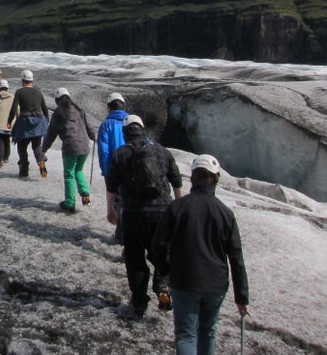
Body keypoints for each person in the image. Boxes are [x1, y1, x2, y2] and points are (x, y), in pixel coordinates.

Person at [151, 154, 250, 355]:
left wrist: (166, 270)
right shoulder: (225, 213)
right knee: (208, 331)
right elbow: (236, 258)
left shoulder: (177, 207)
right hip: (215, 284)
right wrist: (242, 297)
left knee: (186, 336)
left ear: (192, 178)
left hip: (184, 281)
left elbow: (157, 246)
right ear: (216, 179)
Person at [105, 115, 184, 317]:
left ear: (125, 132)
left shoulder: (120, 153)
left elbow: (111, 186)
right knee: (161, 253)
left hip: (133, 213)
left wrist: (111, 210)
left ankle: (139, 301)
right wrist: (178, 207)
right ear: (142, 129)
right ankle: (163, 286)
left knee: (135, 259)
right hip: (162, 212)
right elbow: (176, 180)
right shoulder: (161, 150)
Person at [42, 87, 96, 214]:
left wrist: (43, 149)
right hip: (84, 147)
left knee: (69, 174)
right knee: (78, 170)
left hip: (70, 147)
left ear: (57, 100)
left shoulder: (58, 113)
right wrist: (93, 136)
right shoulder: (79, 110)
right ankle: (85, 194)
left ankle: (70, 203)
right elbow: (88, 127)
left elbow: (51, 134)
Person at [6, 70, 49, 178]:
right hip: (37, 123)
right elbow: (45, 109)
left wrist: (9, 121)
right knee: (37, 146)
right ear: (31, 80)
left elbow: (14, 108)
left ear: (22, 80)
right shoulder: (38, 92)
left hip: (25, 122)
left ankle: (24, 170)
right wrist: (46, 122)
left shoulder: (19, 92)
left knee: (22, 147)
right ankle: (41, 161)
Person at [98, 92, 129, 241]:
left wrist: (106, 170)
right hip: (133, 168)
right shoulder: (132, 122)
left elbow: (104, 150)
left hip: (114, 168)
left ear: (109, 107)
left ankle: (121, 233)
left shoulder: (107, 125)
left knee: (119, 201)